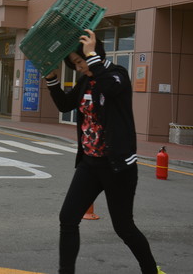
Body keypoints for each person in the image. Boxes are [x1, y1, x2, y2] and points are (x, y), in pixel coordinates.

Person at [43, 29, 163, 274]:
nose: (78, 68)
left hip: (117, 166)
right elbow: (66, 104)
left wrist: (92, 59)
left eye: (80, 61)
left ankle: (151, 270)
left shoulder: (117, 74)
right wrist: (52, 80)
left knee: (124, 227)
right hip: (90, 164)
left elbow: (109, 89)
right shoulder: (86, 80)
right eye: (74, 64)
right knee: (67, 219)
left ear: (93, 53)